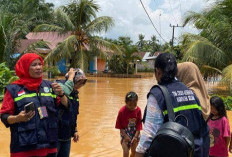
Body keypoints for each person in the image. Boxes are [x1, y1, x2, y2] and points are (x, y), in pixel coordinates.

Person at [135, 53, 209, 157]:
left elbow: (148, 136)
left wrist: (138, 154)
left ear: (158, 71)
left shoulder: (158, 94)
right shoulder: (191, 92)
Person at [0, 52, 68, 157]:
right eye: (34, 65)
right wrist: (18, 118)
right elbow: (4, 116)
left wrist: (61, 94)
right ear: (25, 67)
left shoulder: (50, 86)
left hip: (49, 145)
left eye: (40, 64)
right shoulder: (13, 89)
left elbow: (65, 107)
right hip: (23, 147)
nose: (38, 67)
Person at [56, 68, 87, 157]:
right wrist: (71, 77)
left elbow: (74, 114)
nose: (80, 85)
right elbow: (64, 93)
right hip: (56, 134)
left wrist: (75, 130)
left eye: (82, 83)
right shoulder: (59, 86)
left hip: (67, 135)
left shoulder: (75, 95)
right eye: (78, 82)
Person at [115, 91, 142, 157]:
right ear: (126, 102)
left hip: (135, 133)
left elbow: (139, 125)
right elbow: (120, 127)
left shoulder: (138, 110)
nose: (132, 107)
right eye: (130, 105)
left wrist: (135, 137)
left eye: (135, 104)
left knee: (133, 152)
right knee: (126, 152)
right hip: (124, 132)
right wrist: (125, 135)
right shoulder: (122, 111)